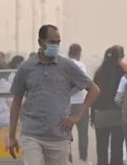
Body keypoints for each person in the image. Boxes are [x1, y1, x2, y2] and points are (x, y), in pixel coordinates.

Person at [8, 25, 100, 165]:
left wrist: (78, 115)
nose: (55, 45)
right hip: (31, 134)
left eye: (58, 42)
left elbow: (94, 90)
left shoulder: (67, 66)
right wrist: (11, 136)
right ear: (40, 42)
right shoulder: (26, 68)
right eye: (52, 42)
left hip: (59, 135)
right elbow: (16, 101)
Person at [92, 47, 126, 165]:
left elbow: (93, 95)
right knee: (117, 150)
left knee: (101, 150)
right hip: (118, 115)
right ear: (118, 58)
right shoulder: (122, 72)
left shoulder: (99, 72)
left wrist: (93, 116)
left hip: (100, 115)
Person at [69, 43, 91, 163]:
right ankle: (83, 156)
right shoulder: (81, 65)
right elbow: (82, 82)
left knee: (66, 131)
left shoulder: (65, 64)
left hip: (67, 104)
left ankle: (68, 155)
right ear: (79, 53)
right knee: (83, 132)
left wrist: (68, 93)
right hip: (80, 103)